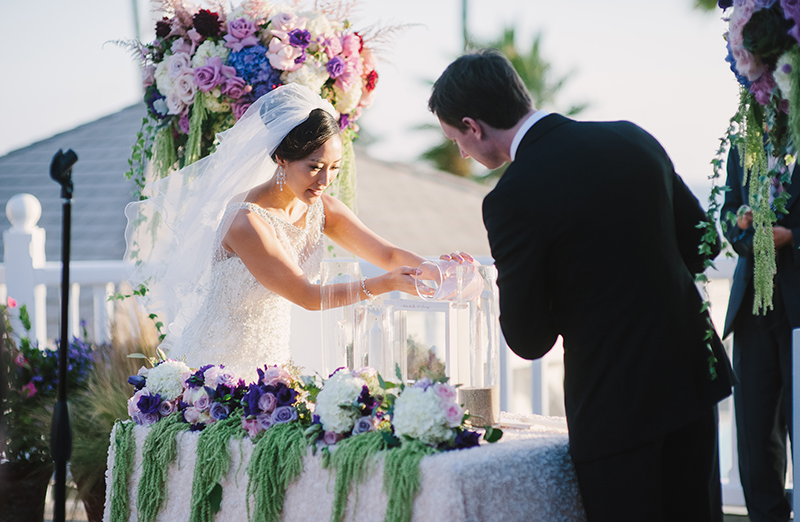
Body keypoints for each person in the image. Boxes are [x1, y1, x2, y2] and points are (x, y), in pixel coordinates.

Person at [428, 49, 734, 520]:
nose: (463, 153)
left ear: (473, 126)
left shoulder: (512, 198)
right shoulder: (632, 138)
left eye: (457, 141)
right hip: (690, 380)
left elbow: (530, 339)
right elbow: (703, 245)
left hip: (615, 408)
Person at [125, 84, 451, 379]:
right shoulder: (246, 222)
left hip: (272, 364)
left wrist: (447, 272)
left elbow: (388, 254)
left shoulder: (325, 210)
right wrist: (386, 283)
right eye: (314, 166)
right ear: (281, 157)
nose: (325, 181)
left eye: (334, 168)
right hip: (216, 367)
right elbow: (307, 296)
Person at [721, 145, 800, 522]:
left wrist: (793, 238)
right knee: (755, 430)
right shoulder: (743, 144)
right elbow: (727, 211)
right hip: (752, 305)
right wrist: (740, 225)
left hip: (799, 307)